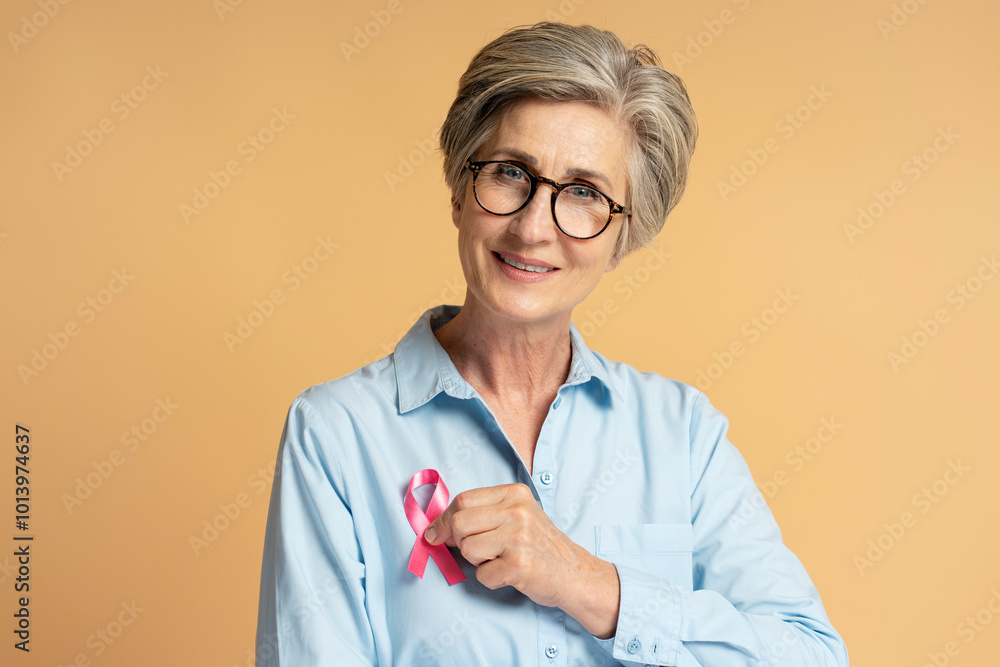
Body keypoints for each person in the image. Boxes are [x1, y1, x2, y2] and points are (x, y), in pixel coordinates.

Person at [255, 21, 849, 666]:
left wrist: (588, 582)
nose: (535, 227)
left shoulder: (684, 435)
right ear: (458, 190)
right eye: (511, 173)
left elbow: (810, 655)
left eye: (585, 193)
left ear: (624, 237)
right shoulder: (336, 434)